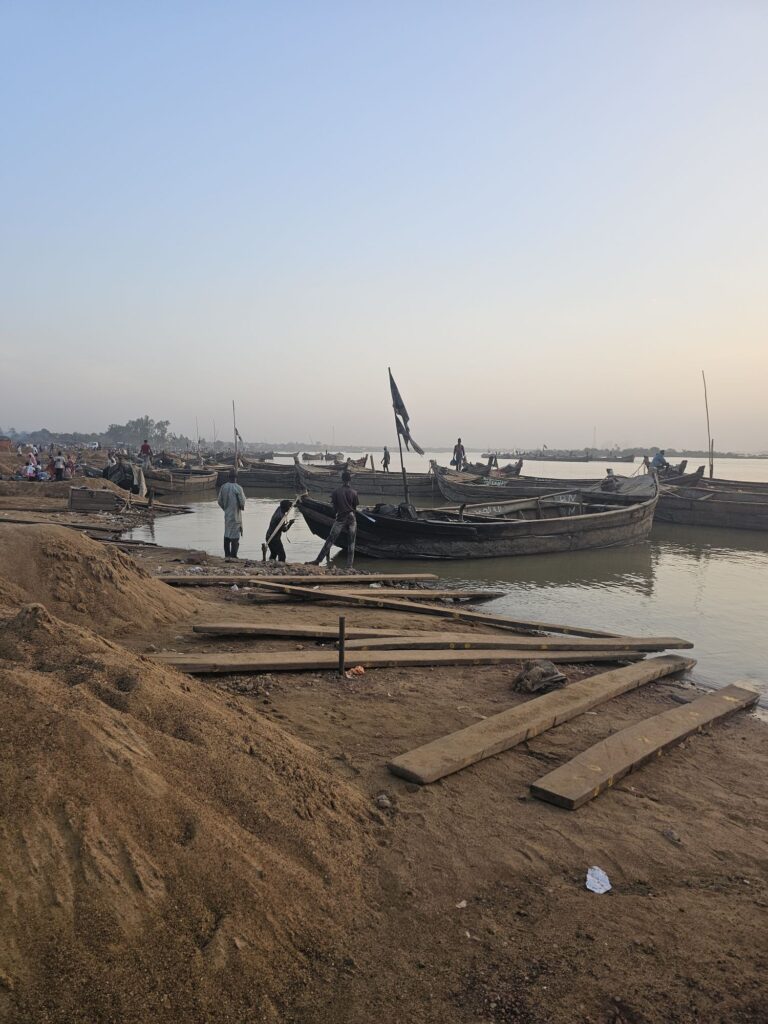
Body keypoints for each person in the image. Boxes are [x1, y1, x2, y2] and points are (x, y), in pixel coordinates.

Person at [307, 470, 358, 568]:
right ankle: (349, 566)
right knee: (351, 542)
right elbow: (354, 508)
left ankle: (318, 560)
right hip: (352, 518)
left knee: (330, 540)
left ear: (342, 480)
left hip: (341, 517)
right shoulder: (354, 492)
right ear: (350, 480)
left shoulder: (336, 492)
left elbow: (334, 508)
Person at [217, 469, 246, 559]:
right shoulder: (238, 488)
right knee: (235, 537)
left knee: (227, 534)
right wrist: (240, 506)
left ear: (228, 477)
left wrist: (225, 508)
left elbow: (219, 501)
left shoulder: (223, 487)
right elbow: (242, 503)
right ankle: (233, 556)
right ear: (236, 478)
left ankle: (227, 555)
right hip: (236, 516)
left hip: (227, 515)